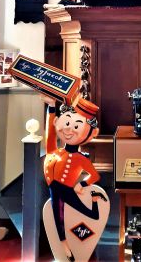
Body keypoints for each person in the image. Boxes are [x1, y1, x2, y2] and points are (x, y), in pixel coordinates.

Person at [42, 95, 107, 262]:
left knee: (86, 215)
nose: (69, 129)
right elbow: (50, 133)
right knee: (58, 217)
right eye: (67, 122)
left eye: (76, 126)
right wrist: (51, 107)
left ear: (91, 134)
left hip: (64, 189)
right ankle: (65, 246)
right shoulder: (54, 150)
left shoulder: (80, 159)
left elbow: (95, 175)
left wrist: (82, 184)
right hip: (55, 188)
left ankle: (94, 201)